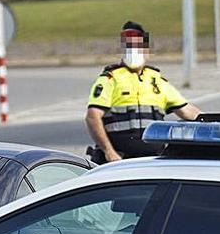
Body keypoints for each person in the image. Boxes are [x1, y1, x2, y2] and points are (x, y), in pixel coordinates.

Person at [86, 21, 202, 162]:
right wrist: (109, 151)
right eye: (129, 47)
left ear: (146, 51)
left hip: (152, 161)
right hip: (118, 161)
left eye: (138, 47)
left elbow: (188, 111)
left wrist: (216, 124)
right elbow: (93, 117)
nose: (134, 52)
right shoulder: (110, 78)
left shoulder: (157, 80)